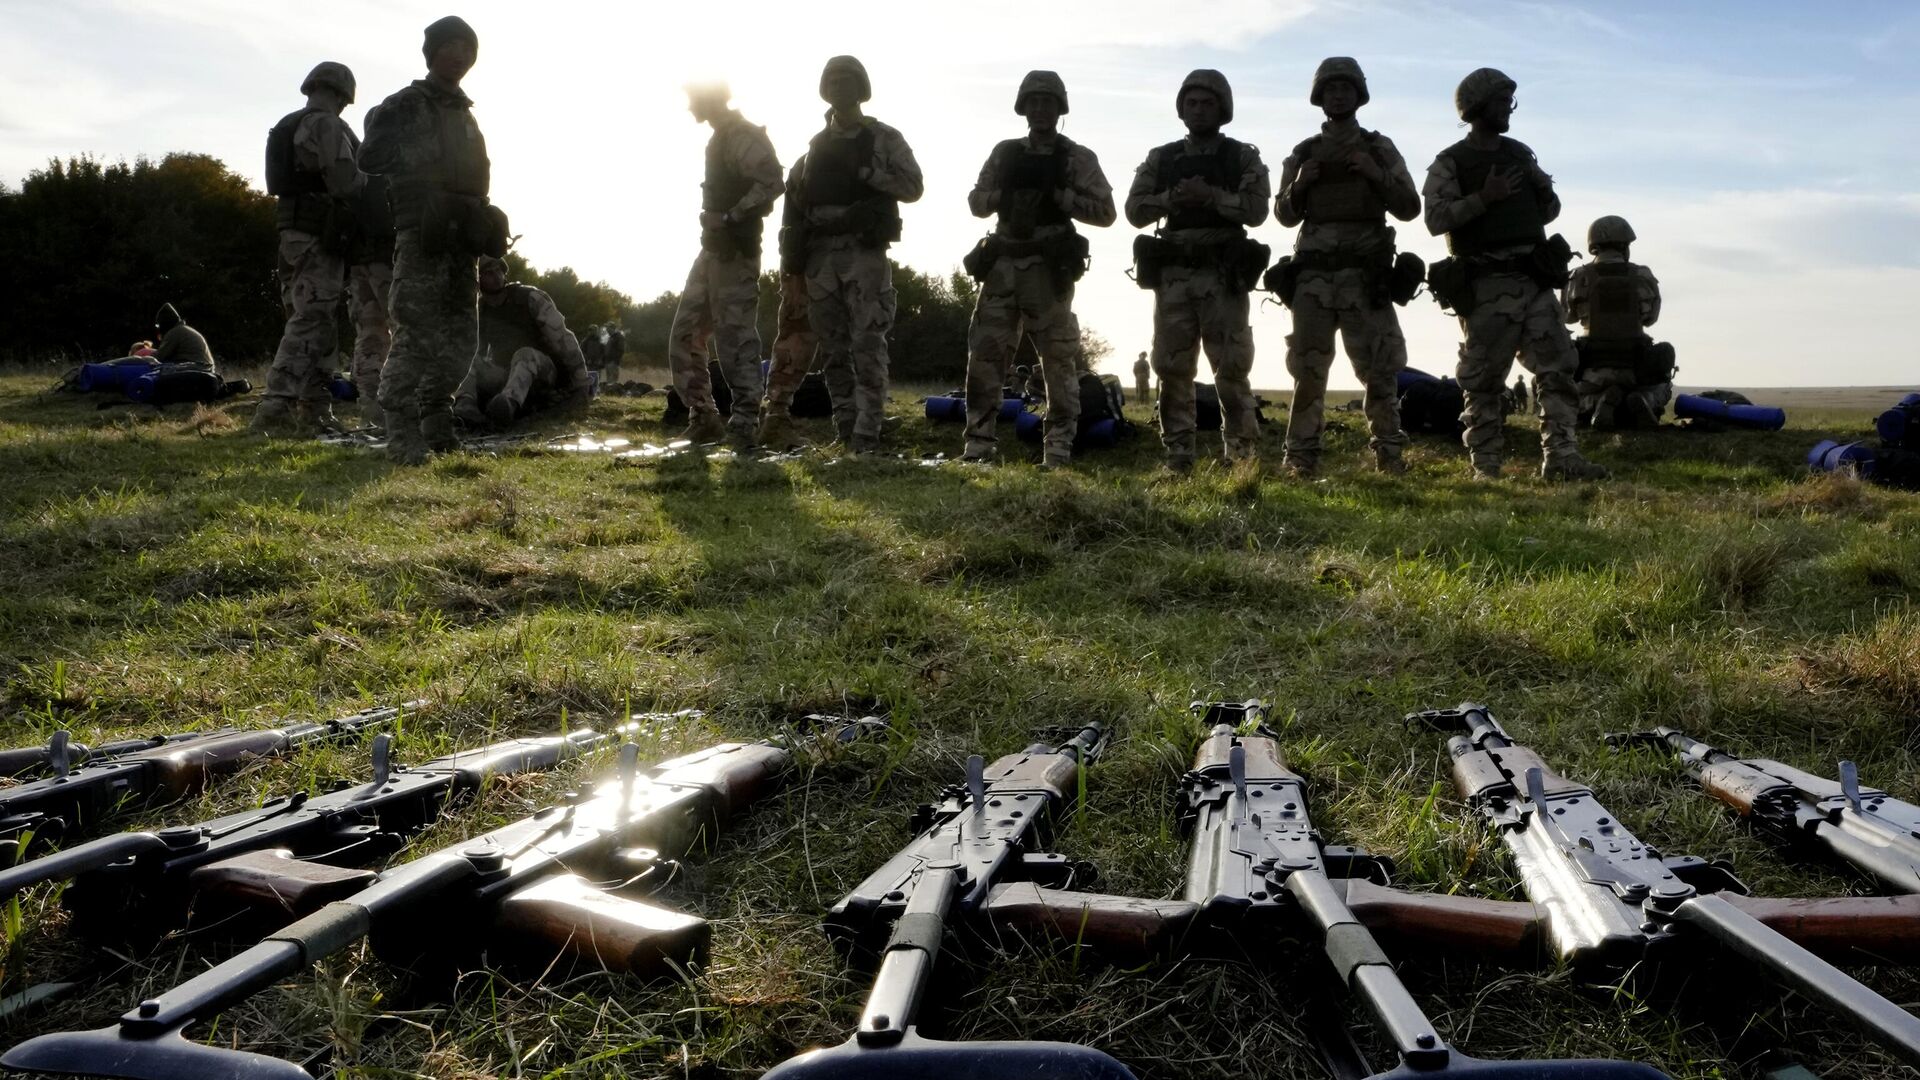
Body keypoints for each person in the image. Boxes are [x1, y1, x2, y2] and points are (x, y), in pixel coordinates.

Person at [1421, 68, 1607, 481]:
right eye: (1502, 102)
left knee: (1558, 367)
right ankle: (1485, 467)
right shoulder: (1452, 162)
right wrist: (1484, 198)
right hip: (1487, 286)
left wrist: (1543, 192)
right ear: (1477, 107)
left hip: (1534, 281)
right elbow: (1435, 219)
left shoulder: (1519, 154)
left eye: (1510, 102)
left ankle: (1561, 457)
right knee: (1484, 380)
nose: (1509, 110)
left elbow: (1546, 212)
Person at [959, 70, 1115, 467]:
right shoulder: (1004, 152)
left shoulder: (1076, 156)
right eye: (1034, 102)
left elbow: (1106, 213)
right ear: (1023, 107)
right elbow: (977, 202)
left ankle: (1058, 449)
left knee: (1058, 361)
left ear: (1059, 108)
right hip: (1003, 264)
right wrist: (1003, 196)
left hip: (1047, 270)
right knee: (986, 355)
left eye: (1048, 102)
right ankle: (978, 445)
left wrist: (1062, 198)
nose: (1040, 109)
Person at [1272, 57, 1418, 477]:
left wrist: (1375, 175)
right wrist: (1300, 185)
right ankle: (1300, 458)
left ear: (1359, 95)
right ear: (1319, 96)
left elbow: (1409, 207)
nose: (1338, 95)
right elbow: (1282, 214)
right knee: (1308, 371)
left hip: (1364, 276)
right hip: (1314, 279)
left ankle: (1389, 455)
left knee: (1380, 370)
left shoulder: (1379, 148)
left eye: (1346, 88)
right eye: (1330, 89)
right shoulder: (1303, 152)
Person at [361, 15, 494, 466]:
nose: (458, 55)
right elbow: (370, 155)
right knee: (416, 333)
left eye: (467, 48)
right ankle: (400, 433)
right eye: (450, 46)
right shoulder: (406, 103)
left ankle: (437, 423)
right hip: (422, 234)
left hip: (463, 239)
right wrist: (416, 158)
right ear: (432, 52)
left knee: (463, 338)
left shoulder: (466, 114)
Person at [1125, 69, 1270, 472]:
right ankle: (1178, 455)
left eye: (1208, 103)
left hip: (1222, 275)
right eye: (1192, 102)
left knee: (1232, 368)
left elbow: (1257, 210)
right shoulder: (1163, 158)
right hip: (1174, 276)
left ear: (1222, 108)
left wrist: (1212, 196)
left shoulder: (1242, 156)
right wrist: (1172, 199)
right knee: (1172, 368)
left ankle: (1240, 457)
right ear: (1181, 108)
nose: (1200, 110)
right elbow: (1134, 210)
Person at [781, 55, 923, 454]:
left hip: (863, 252)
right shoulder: (813, 148)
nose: (840, 87)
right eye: (834, 80)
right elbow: (794, 202)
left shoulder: (883, 138)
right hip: (821, 256)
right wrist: (791, 261)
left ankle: (868, 430)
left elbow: (913, 187)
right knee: (833, 348)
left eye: (848, 80)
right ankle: (845, 425)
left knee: (868, 343)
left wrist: (869, 176)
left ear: (861, 88)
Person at [668, 82, 784, 448]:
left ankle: (746, 422)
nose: (690, 108)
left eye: (694, 100)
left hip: (736, 254)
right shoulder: (720, 138)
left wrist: (732, 217)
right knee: (685, 334)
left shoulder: (742, 136)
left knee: (735, 339)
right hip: (713, 252)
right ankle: (703, 417)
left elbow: (771, 183)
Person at [253, 61, 363, 436]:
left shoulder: (287, 124)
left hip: (292, 232)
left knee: (315, 320)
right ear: (343, 95)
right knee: (312, 318)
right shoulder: (326, 124)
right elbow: (344, 181)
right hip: (318, 234)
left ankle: (315, 409)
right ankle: (276, 407)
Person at [453, 256, 592, 427]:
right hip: (506, 374)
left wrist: (581, 385)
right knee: (466, 358)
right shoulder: (480, 310)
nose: (496, 276)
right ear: (478, 280)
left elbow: (564, 341)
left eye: (498, 270)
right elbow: (475, 351)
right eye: (488, 273)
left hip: (543, 373)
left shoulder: (530, 299)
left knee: (524, 354)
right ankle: (466, 406)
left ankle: (507, 406)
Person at [1565, 215, 1673, 428]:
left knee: (1568, 397)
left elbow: (1568, 316)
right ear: (1624, 246)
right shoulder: (1642, 275)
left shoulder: (1578, 277)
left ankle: (1597, 403)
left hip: (1591, 371)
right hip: (1635, 369)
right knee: (1662, 386)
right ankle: (1644, 402)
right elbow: (1651, 319)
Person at [346, 104, 397, 430]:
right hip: (387, 261)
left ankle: (370, 408)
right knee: (407, 332)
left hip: (357, 265)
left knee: (368, 337)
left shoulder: (353, 168)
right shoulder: (389, 167)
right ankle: (403, 408)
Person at [151, 304, 215, 371]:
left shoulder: (174, 332)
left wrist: (144, 356)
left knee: (161, 371)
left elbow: (160, 357)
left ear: (164, 323)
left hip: (197, 367)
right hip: (206, 368)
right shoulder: (183, 329)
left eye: (158, 325)